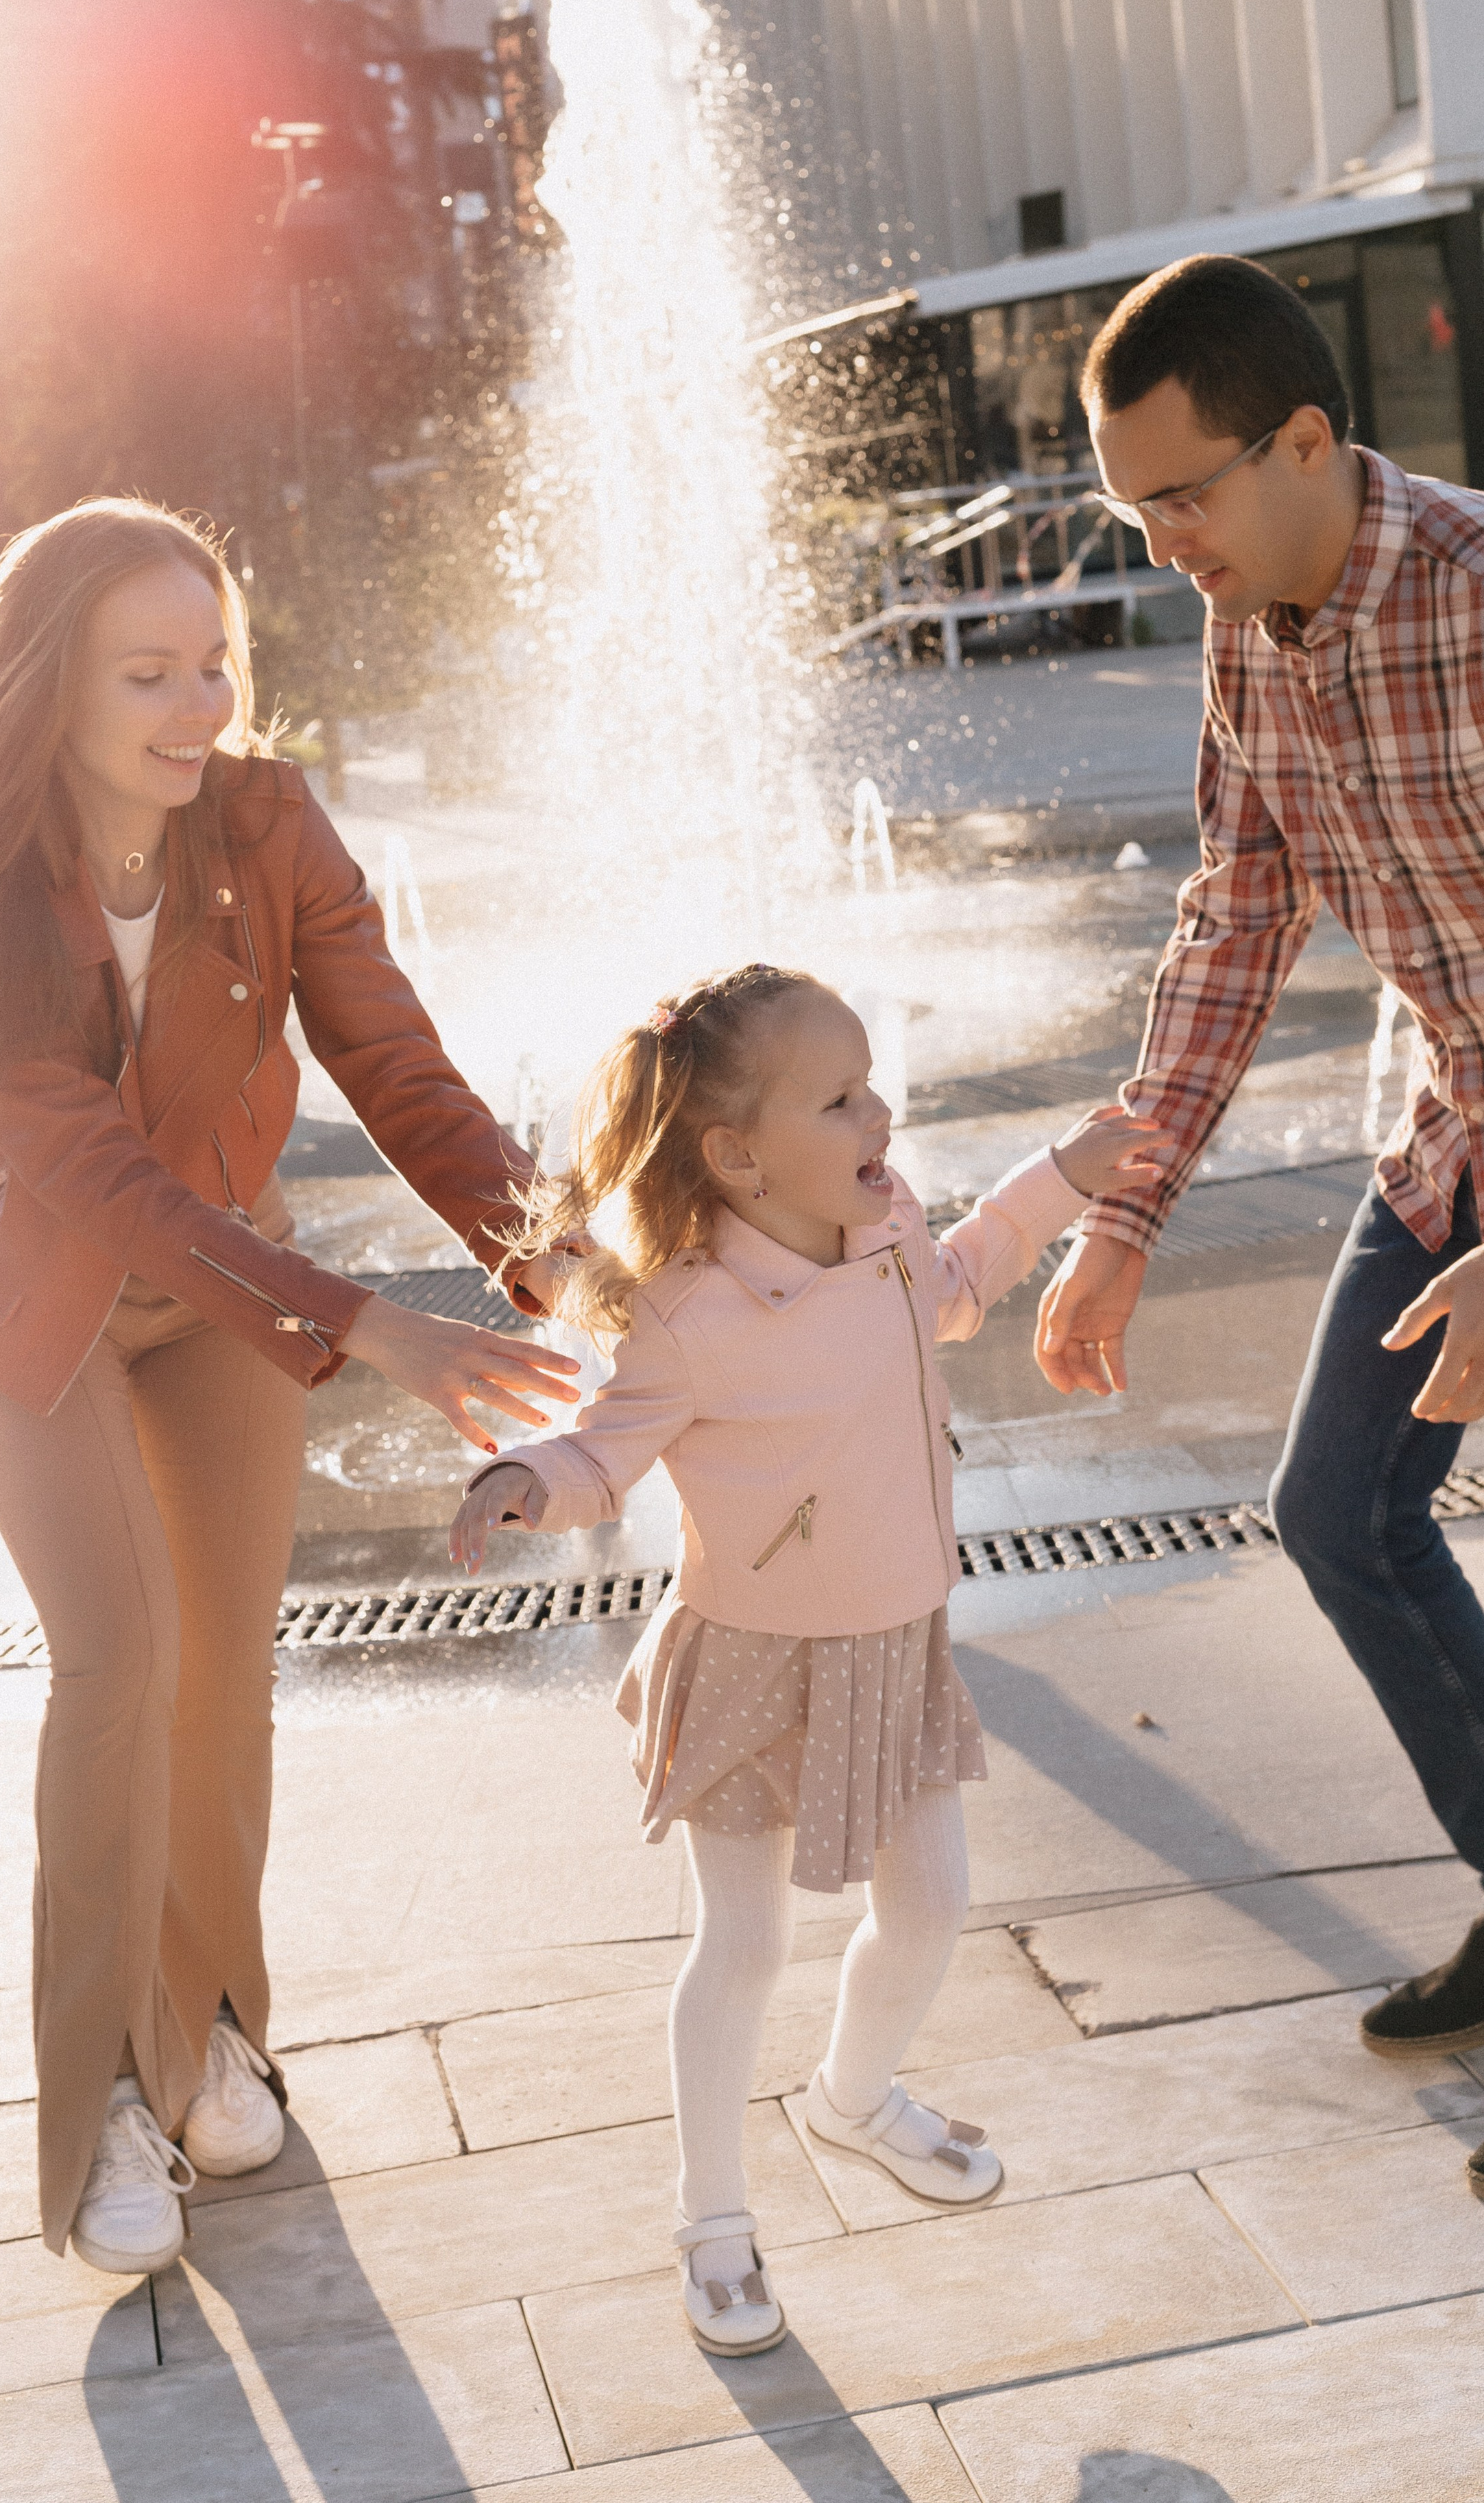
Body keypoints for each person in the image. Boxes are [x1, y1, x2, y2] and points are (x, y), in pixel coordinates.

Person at [0, 496, 579, 2274]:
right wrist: (365, 1322)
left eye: (215, 659)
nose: (198, 703)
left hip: (225, 1293)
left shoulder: (264, 821)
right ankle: (98, 2125)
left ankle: (214, 2027)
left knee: (227, 1679)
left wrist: (554, 1254)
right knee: (118, 1667)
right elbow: (102, 1183)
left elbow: (392, 1055)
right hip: (40, 1307)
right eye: (148, 672)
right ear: (46, 687)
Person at [451, 965, 1162, 2354]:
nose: (877, 1113)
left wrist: (1056, 1178)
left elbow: (960, 1281)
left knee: (932, 1909)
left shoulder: (887, 1226)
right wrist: (530, 1479)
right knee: (744, 1941)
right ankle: (711, 2217)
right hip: (753, 1661)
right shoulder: (684, 1309)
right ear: (733, 1154)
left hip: (895, 1642)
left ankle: (850, 2098)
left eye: (870, 1083)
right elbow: (610, 1443)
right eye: (837, 1099)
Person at [1033, 252, 1484, 2127]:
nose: (1166, 545)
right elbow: (1236, 922)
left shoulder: (1473, 594)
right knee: (1341, 1512)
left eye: (1188, 496)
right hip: (1449, 1127)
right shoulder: (1250, 621)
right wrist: (1122, 1221)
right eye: (1136, 510)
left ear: (1309, 437)